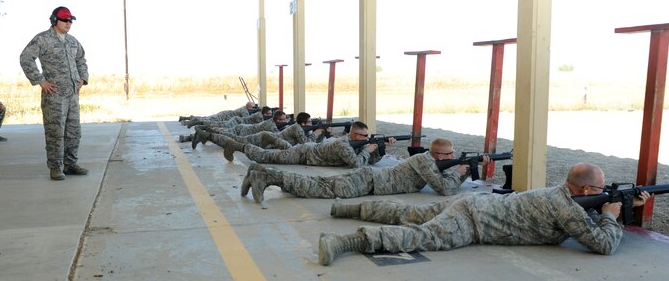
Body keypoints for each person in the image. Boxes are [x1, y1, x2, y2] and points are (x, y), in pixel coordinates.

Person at [317, 162, 652, 266]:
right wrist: (611, 214)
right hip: (473, 221)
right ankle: (342, 242)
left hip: (473, 204)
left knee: (411, 213)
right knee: (420, 236)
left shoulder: (560, 193)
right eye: (600, 189)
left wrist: (614, 206)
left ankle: (345, 207)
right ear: (585, 189)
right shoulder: (567, 208)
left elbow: (582, 220)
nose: (603, 192)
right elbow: (603, 244)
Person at [240, 138, 488, 205]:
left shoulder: (429, 161)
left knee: (318, 183)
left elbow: (444, 179)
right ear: (439, 155)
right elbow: (444, 188)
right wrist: (462, 170)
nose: (453, 157)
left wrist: (464, 169)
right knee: (319, 188)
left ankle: (262, 172)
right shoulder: (425, 161)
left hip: (370, 180)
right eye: (450, 154)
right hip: (369, 181)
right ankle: (266, 176)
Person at [19, 6, 89, 181]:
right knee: (55, 132)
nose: (68, 23)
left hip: (72, 95)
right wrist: (40, 80)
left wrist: (82, 79)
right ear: (54, 20)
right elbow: (26, 58)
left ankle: (70, 164)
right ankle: (56, 168)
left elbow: (81, 60)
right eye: (65, 20)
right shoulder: (43, 39)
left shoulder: (72, 41)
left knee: (74, 131)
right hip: (54, 96)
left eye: (70, 20)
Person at [221, 121, 394, 168]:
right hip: (303, 153)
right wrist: (368, 149)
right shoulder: (343, 144)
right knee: (266, 157)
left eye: (368, 136)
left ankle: (237, 145)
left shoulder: (357, 143)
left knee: (268, 155)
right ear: (354, 134)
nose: (367, 138)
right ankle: (237, 146)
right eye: (364, 136)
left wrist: (380, 149)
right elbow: (356, 163)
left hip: (309, 153)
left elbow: (368, 160)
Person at [190, 112, 325, 150]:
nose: (311, 124)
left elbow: (310, 142)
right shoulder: (297, 128)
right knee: (232, 140)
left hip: (265, 139)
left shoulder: (299, 128)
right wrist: (316, 133)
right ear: (303, 123)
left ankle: (205, 134)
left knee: (232, 139)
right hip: (262, 139)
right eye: (309, 122)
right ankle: (206, 134)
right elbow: (305, 143)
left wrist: (322, 133)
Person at [182, 101, 256, 127]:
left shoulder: (243, 108)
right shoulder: (244, 110)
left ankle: (186, 118)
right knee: (208, 119)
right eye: (253, 107)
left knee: (207, 118)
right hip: (223, 116)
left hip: (224, 114)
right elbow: (247, 119)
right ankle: (188, 122)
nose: (254, 108)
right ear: (248, 107)